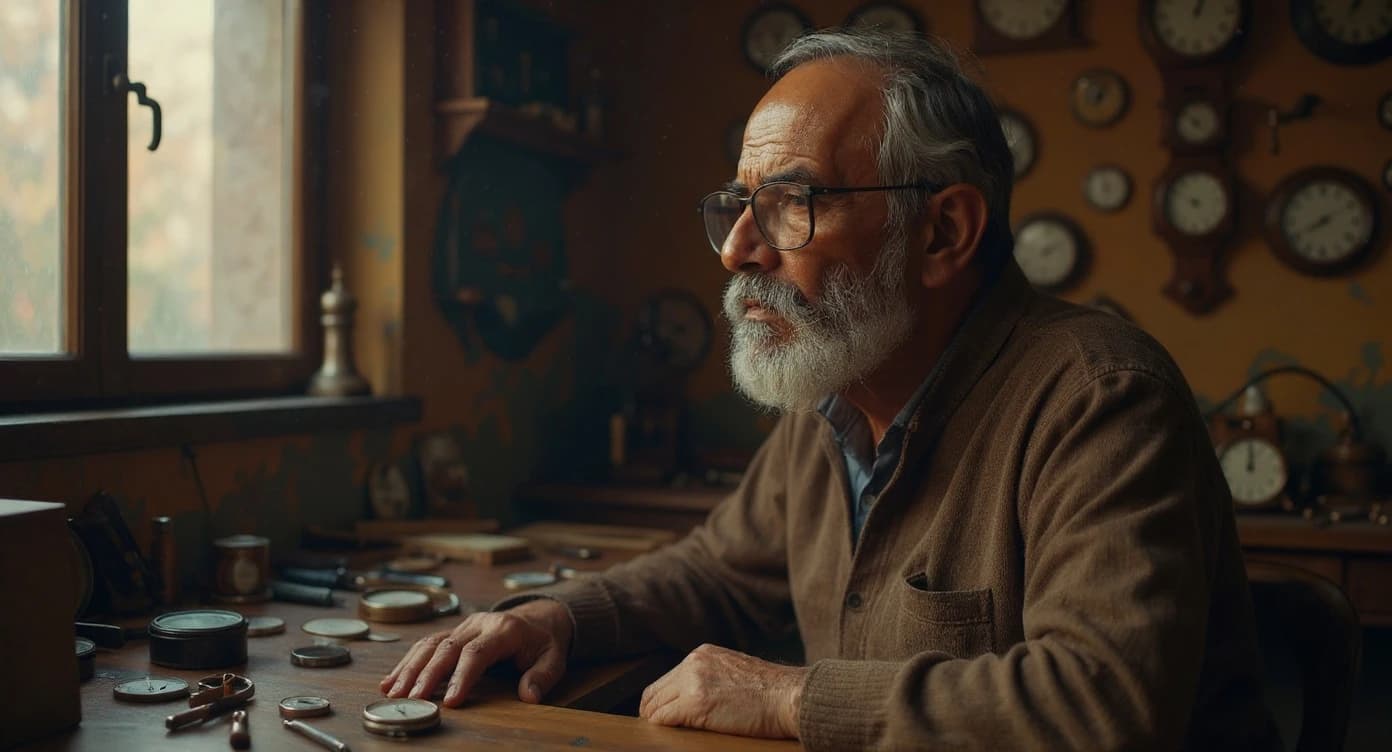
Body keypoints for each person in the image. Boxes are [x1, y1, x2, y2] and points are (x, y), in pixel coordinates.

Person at [383, 29, 1279, 750]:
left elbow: (1103, 706)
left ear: (943, 233)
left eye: (790, 204)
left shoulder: (1101, 397)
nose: (738, 250)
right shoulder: (840, 386)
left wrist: (787, 699)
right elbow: (717, 571)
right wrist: (558, 618)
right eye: (736, 205)